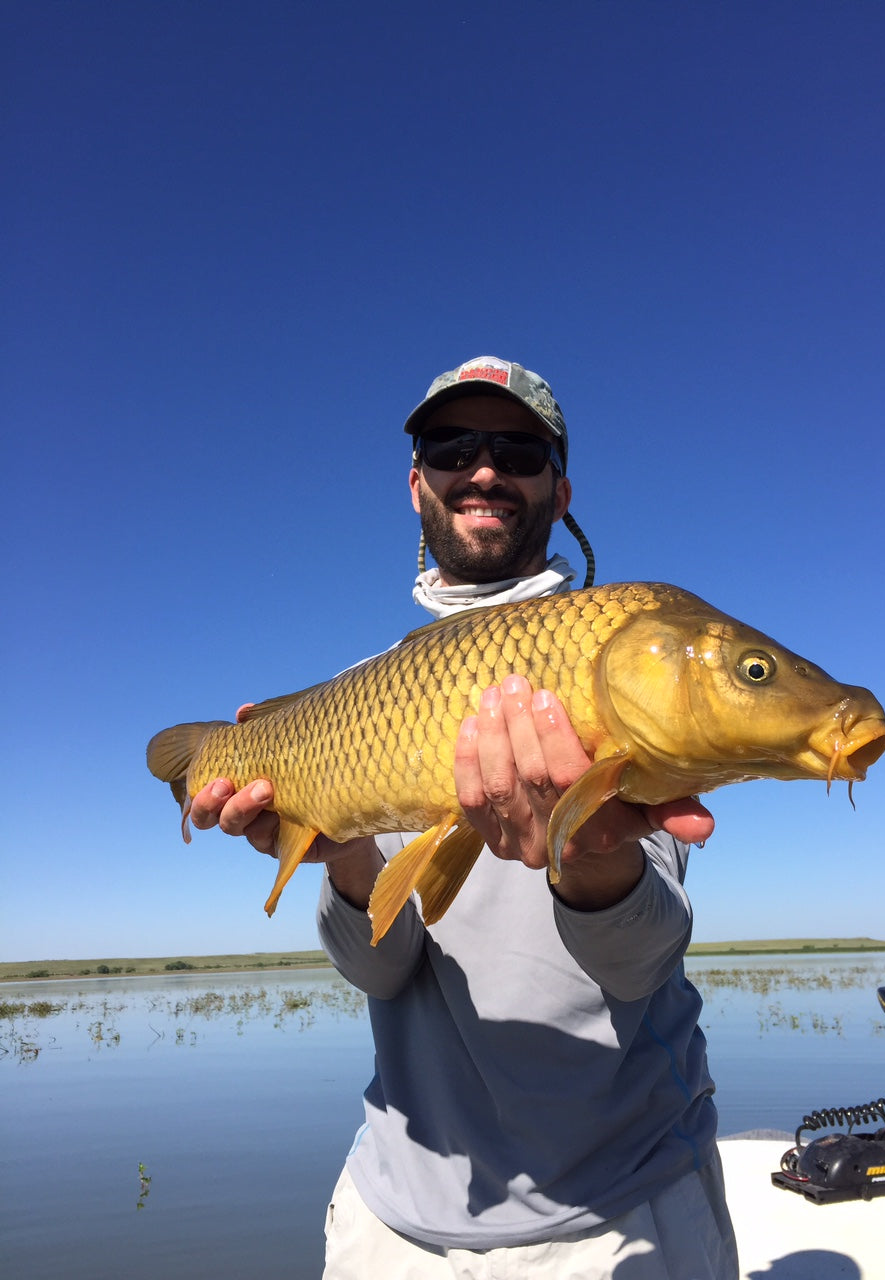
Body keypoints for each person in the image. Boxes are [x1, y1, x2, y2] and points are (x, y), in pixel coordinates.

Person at [191, 356, 739, 1278]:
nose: (484, 470)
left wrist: (591, 858)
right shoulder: (372, 695)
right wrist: (347, 858)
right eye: (453, 446)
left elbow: (641, 960)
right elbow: (382, 965)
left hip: (624, 1211)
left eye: (518, 451)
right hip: (399, 1216)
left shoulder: (624, 653)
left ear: (560, 492)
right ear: (418, 485)